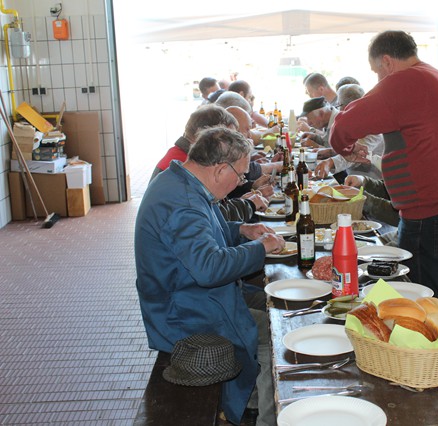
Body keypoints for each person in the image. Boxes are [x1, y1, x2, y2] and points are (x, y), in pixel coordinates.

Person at [135, 127, 284, 426]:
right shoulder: (185, 204)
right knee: (275, 333)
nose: (240, 182)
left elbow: (205, 236)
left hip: (191, 296)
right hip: (186, 314)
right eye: (240, 175)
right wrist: (261, 248)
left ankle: (251, 399)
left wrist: (241, 230)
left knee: (273, 304)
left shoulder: (181, 181)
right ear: (219, 170)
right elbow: (209, 267)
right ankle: (266, 417)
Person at [330, 30, 438, 300]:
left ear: (387, 61)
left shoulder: (403, 82)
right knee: (431, 289)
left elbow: (341, 127)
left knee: (420, 297)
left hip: (429, 211)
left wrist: (348, 150)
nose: (378, 80)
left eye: (377, 72)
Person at [149, 105, 269, 222]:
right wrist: (248, 205)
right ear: (208, 136)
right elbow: (206, 217)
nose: (234, 146)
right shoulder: (186, 166)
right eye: (228, 139)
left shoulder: (186, 161)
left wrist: (249, 189)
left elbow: (212, 212)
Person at [313, 84, 383, 180]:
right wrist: (330, 152)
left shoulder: (371, 125)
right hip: (353, 176)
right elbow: (352, 148)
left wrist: (330, 162)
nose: (338, 110)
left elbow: (358, 154)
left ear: (346, 107)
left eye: (338, 105)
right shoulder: (355, 121)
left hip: (370, 181)